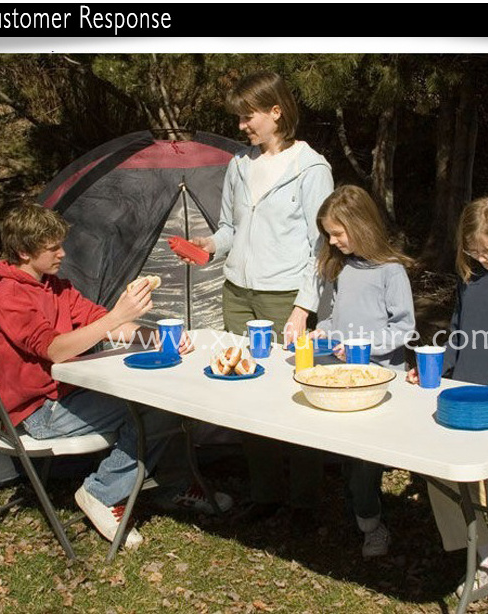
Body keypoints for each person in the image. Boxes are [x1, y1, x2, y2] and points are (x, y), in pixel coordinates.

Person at [0, 204, 232, 549]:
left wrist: (154, 337)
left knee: (166, 397)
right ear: (24, 252)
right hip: (38, 411)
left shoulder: (54, 287)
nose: (62, 253)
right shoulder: (8, 296)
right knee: (156, 408)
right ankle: (101, 492)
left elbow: (95, 318)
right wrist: (115, 317)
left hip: (69, 392)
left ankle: (169, 488)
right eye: (52, 248)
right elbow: (54, 349)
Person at [179, 71, 334, 526]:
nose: (242, 125)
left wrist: (304, 307)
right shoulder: (239, 164)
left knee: (296, 393)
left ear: (275, 112)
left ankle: (305, 501)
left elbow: (321, 247)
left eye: (248, 116)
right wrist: (209, 246)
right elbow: (230, 229)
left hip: (286, 296)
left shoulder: (312, 169)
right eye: (240, 118)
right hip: (238, 295)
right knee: (246, 390)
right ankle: (265, 493)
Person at [406, 195, 488, 599]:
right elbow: (459, 334)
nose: (481, 257)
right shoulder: (470, 281)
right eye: (472, 250)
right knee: (439, 474)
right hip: (461, 395)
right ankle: (481, 550)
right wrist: (432, 365)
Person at [310, 184, 416, 557]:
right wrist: (317, 334)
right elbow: (333, 319)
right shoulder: (341, 267)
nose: (333, 241)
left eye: (338, 233)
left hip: (379, 379)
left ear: (362, 226)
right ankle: (359, 513)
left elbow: (404, 328)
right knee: (346, 453)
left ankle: (372, 525)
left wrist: (364, 344)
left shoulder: (391, 272)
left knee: (365, 459)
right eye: (328, 234)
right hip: (343, 379)